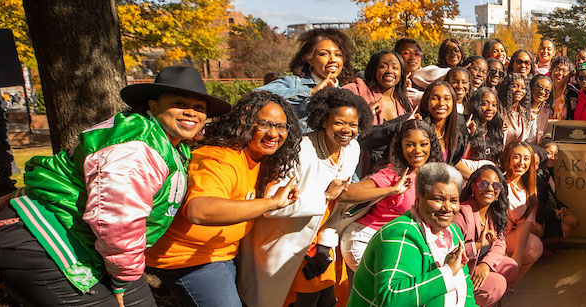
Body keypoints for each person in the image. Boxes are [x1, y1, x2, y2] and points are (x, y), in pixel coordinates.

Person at [0, 66, 230, 306]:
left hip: (94, 248)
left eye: (199, 108)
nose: (191, 113)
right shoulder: (137, 148)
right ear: (153, 105)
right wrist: (123, 280)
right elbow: (117, 220)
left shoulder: (163, 140)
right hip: (45, 243)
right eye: (180, 103)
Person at [146, 91, 302, 307]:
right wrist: (272, 203)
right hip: (188, 258)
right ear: (244, 122)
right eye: (264, 124)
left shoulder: (261, 159)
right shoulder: (220, 158)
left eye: (282, 126)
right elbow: (199, 210)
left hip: (224, 253)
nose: (274, 133)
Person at [238, 88, 370, 307]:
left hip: (321, 244)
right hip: (283, 242)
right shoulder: (299, 150)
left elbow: (338, 206)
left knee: (329, 299)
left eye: (353, 125)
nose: (347, 130)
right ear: (323, 120)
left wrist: (324, 245)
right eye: (339, 123)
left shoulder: (352, 149)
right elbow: (272, 205)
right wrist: (325, 196)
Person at [347, 162, 474, 307]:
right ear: (418, 199)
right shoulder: (400, 234)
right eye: (438, 199)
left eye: (453, 200)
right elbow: (392, 299)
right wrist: (447, 271)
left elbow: (465, 288)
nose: (447, 208)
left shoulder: (453, 232)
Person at [340, 119, 443, 270]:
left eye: (423, 144)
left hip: (394, 243)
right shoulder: (393, 174)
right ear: (400, 147)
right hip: (366, 240)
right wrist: (391, 190)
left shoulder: (431, 175)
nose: (417, 150)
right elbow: (347, 194)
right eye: (409, 144)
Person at [454, 164, 519, 306]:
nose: (490, 188)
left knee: (510, 267)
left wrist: (486, 264)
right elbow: (449, 252)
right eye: (484, 184)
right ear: (473, 187)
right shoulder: (462, 214)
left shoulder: (492, 212)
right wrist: (476, 246)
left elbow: (500, 242)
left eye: (496, 185)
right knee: (497, 284)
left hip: (480, 263)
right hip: (461, 271)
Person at [257, 28, 355, 120]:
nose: (333, 59)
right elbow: (256, 96)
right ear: (309, 59)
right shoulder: (292, 84)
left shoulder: (347, 97)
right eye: (323, 54)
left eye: (338, 55)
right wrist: (310, 92)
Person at [501, 142, 543, 284]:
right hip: (494, 236)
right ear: (508, 158)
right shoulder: (498, 182)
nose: (521, 163)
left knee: (535, 246)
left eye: (526, 159)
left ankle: (509, 285)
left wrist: (518, 253)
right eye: (516, 157)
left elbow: (525, 223)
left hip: (510, 235)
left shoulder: (529, 189)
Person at [343, 50, 413, 125]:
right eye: (383, 66)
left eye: (395, 67)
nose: (389, 71)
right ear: (374, 70)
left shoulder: (405, 102)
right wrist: (363, 114)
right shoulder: (354, 90)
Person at [498, 74, 532, 145]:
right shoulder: (499, 110)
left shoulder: (524, 113)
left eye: (523, 88)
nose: (519, 90)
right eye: (515, 86)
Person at [548, 56, 578, 121]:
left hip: (565, 129)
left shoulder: (573, 93)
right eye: (557, 69)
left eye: (564, 70)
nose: (560, 73)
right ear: (551, 71)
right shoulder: (545, 89)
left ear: (569, 75)